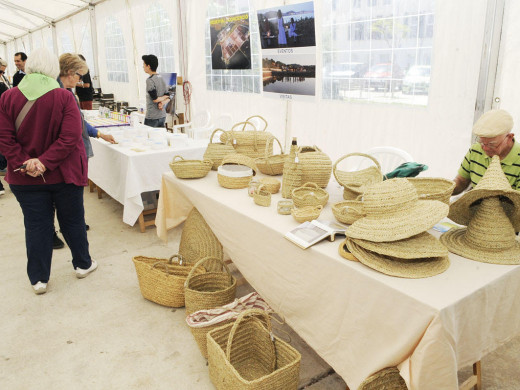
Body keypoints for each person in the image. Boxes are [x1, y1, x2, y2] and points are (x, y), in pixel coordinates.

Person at [0, 48, 97, 295]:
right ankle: (83, 265)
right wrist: (44, 163)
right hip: (63, 174)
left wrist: (25, 163)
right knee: (72, 221)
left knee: (36, 226)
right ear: (54, 69)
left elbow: (4, 138)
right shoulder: (64, 97)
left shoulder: (8, 97)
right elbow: (70, 137)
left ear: (29, 67)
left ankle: (39, 279)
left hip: (24, 178)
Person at [453, 109, 520, 195]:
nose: (485, 148)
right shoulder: (476, 149)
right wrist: (444, 191)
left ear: (509, 137)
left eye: (491, 144)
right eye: (481, 142)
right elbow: (461, 181)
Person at [142, 54, 168, 128]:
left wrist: (161, 100)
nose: (143, 66)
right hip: (162, 116)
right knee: (160, 138)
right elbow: (168, 96)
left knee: (149, 138)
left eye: (144, 64)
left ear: (149, 66)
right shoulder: (161, 77)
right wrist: (163, 101)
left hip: (152, 117)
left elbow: (155, 99)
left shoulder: (150, 80)